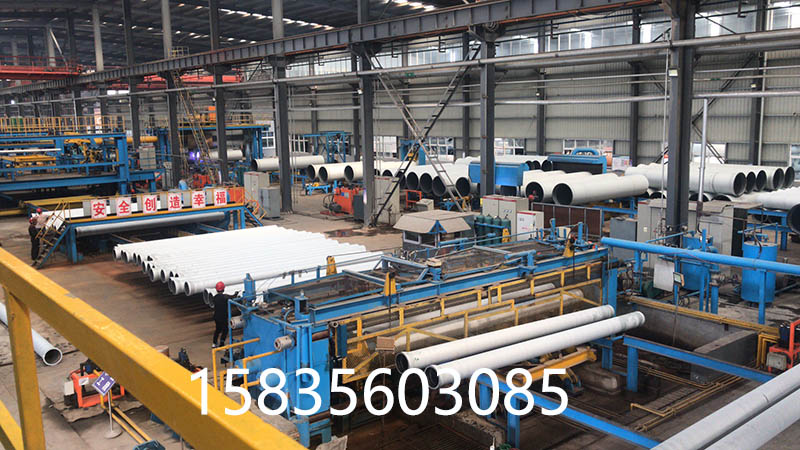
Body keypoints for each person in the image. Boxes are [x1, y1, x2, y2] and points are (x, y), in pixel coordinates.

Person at [212, 281, 239, 348]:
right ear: (223, 289)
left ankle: (214, 343)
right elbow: (232, 297)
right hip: (223, 317)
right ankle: (221, 343)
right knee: (225, 330)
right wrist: (236, 293)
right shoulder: (225, 297)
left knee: (218, 330)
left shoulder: (215, 297)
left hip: (216, 316)